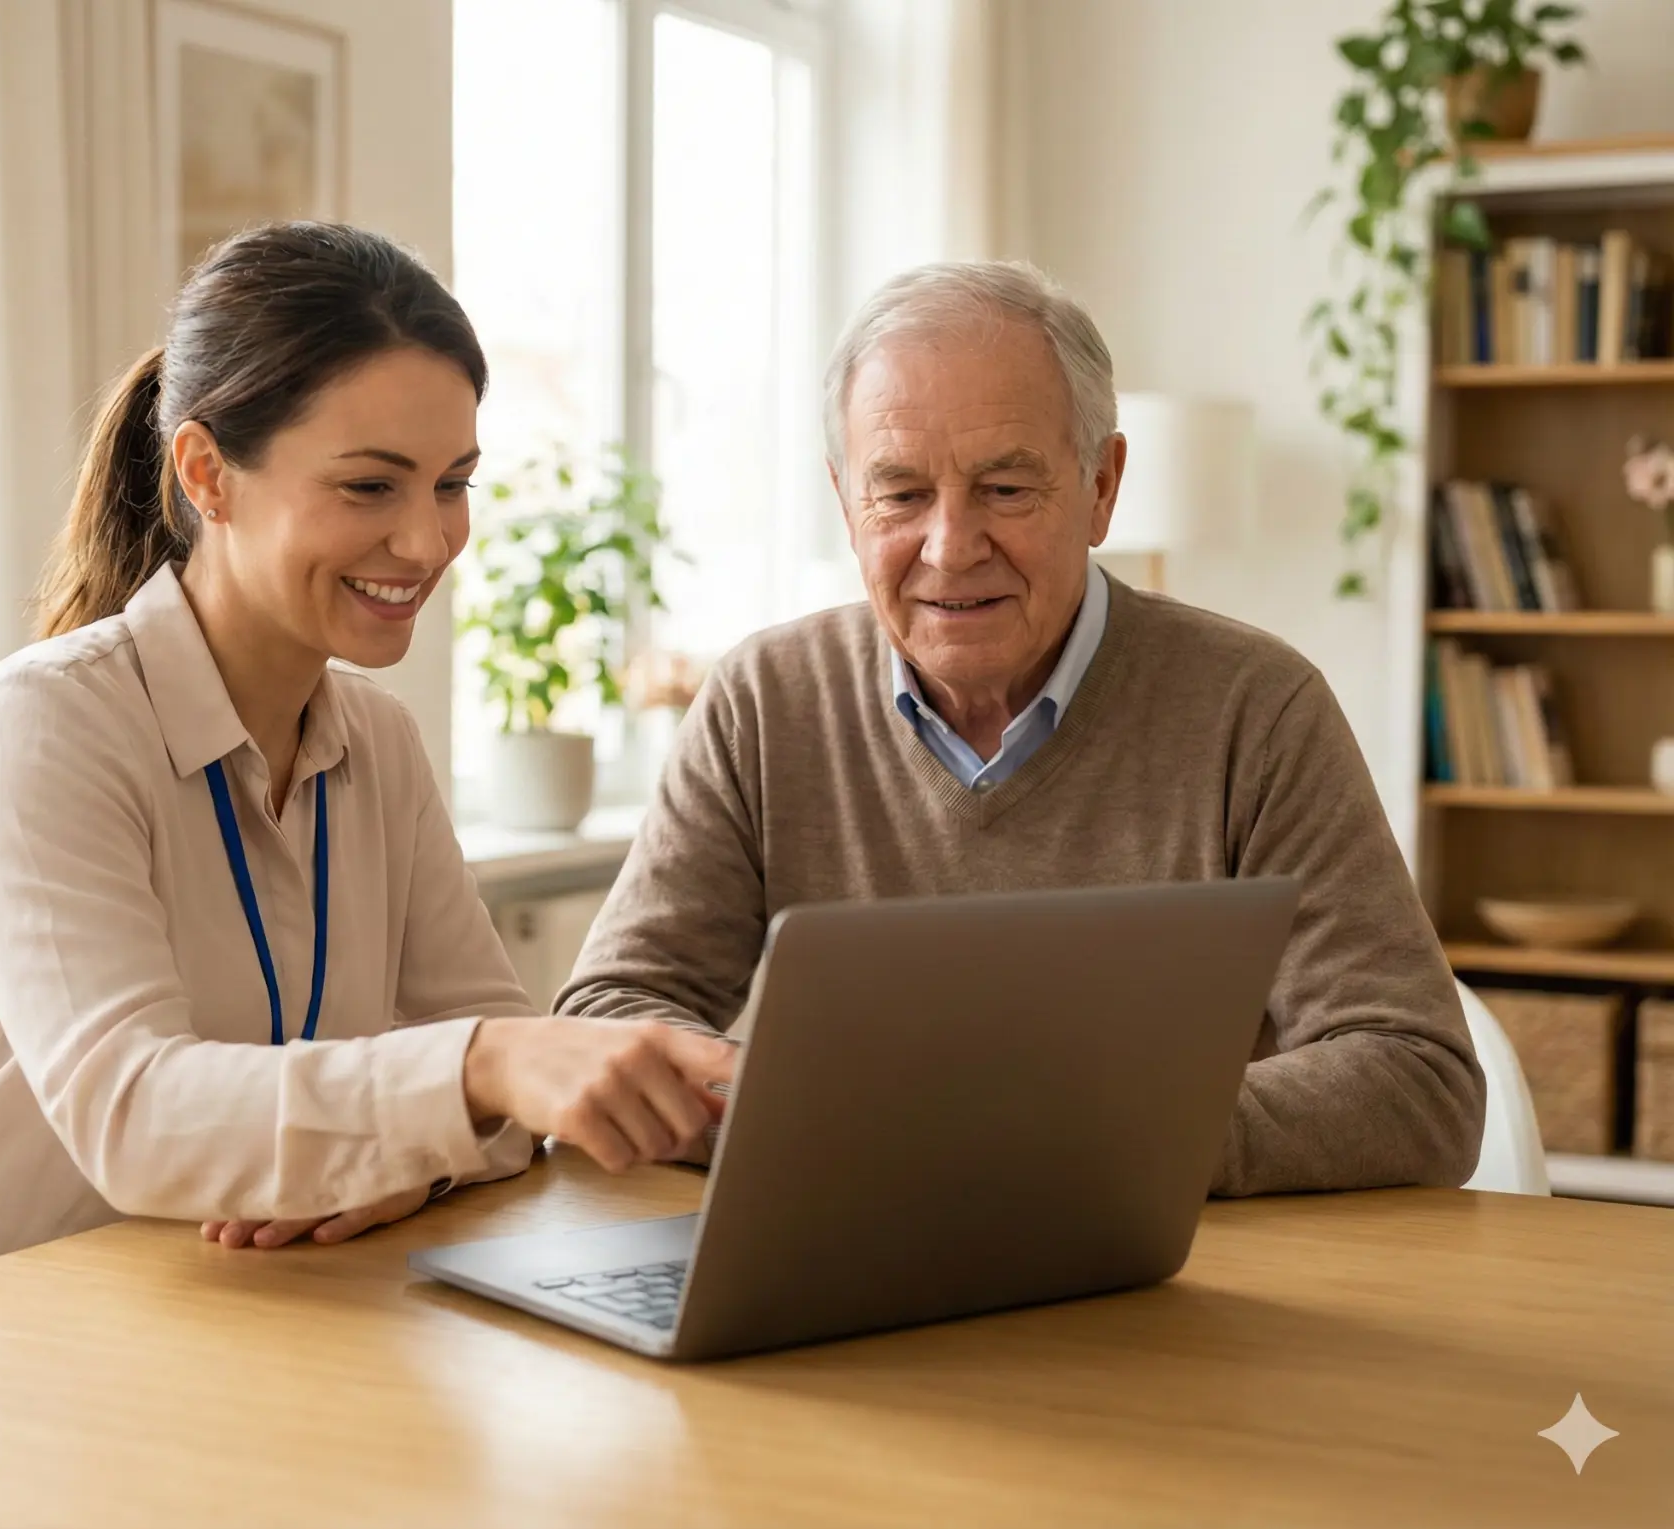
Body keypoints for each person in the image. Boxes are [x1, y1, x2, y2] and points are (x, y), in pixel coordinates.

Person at [0, 224, 735, 1308]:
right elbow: (134, 1117)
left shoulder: (378, 741)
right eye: (370, 486)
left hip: (192, 1288)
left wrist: (404, 1156)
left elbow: (507, 1111)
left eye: (452, 483)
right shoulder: (45, 727)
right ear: (208, 473)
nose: (428, 542)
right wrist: (473, 1075)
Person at [557, 259, 1484, 1196]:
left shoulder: (1259, 710)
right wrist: (819, 1116)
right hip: (838, 1239)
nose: (951, 547)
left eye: (1005, 489)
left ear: (1101, 487)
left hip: (1164, 1264)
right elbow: (605, 1013)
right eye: (901, 494)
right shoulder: (764, 700)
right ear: (845, 502)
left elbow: (1418, 1078)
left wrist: (1093, 1136)